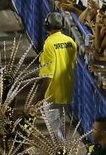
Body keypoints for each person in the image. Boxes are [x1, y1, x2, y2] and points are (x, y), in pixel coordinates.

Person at [39, 11, 77, 145]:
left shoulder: (49, 44)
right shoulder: (70, 41)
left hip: (52, 93)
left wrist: (39, 97)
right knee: (59, 126)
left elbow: (47, 75)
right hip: (67, 90)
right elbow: (72, 64)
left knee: (54, 131)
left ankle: (63, 151)